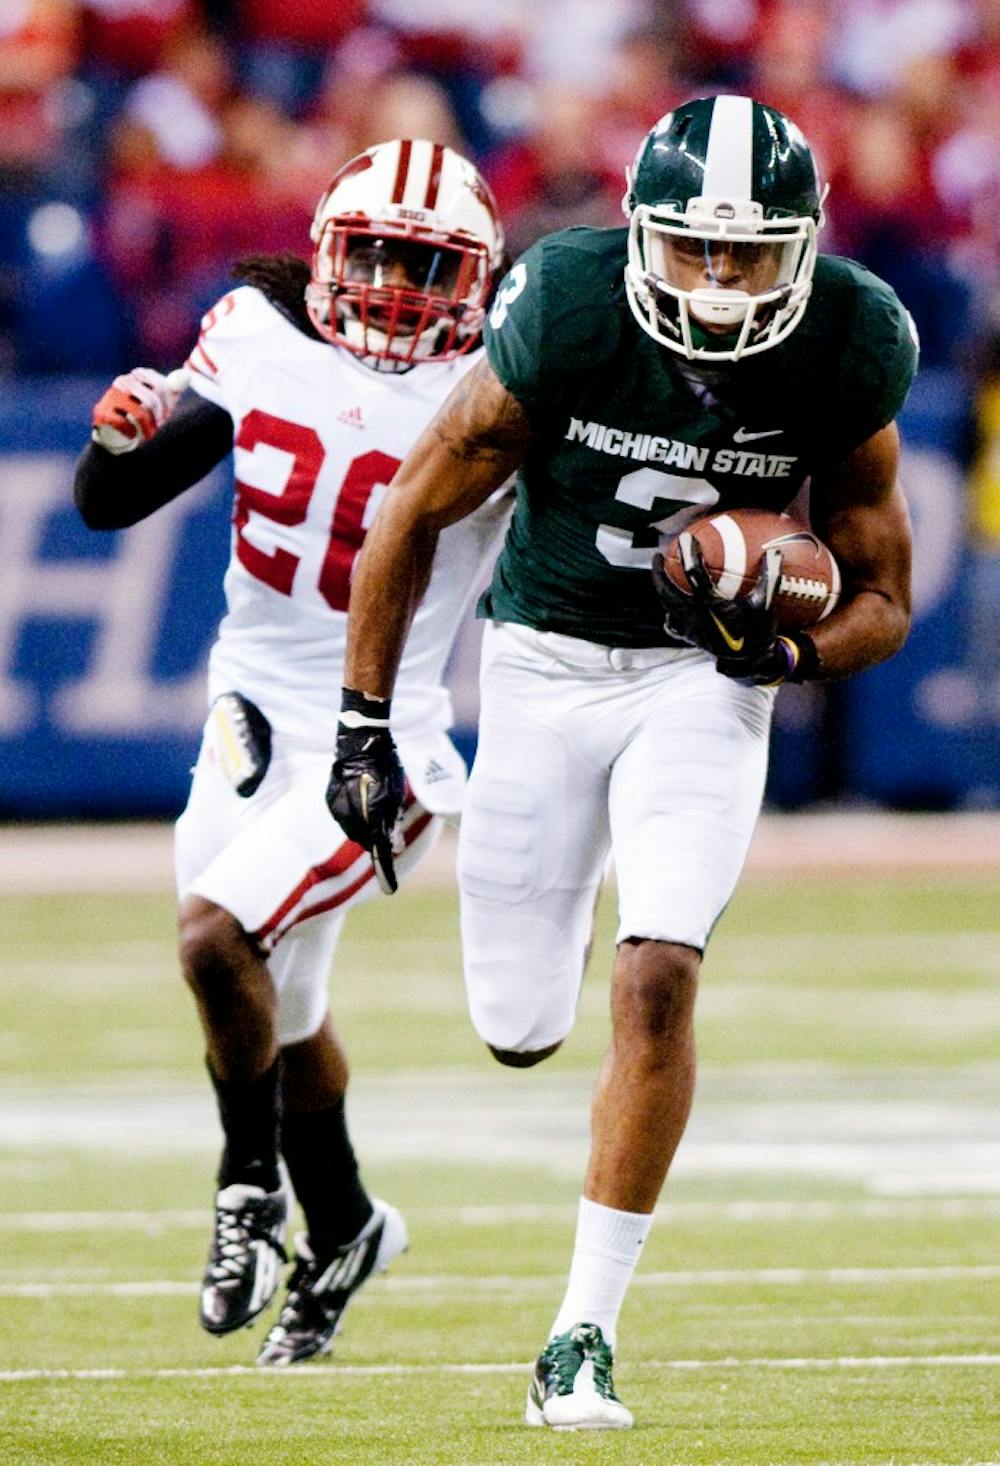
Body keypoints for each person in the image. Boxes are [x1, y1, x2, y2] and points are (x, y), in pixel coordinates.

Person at [326, 95, 918, 1428]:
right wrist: (363, 723)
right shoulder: (574, 303)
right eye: (696, 250)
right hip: (542, 661)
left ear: (807, 246)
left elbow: (882, 595)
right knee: (522, 1026)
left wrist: (787, 658)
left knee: (657, 975)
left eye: (754, 255)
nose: (720, 282)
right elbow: (415, 504)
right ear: (640, 234)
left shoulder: (854, 338)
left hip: (699, 684)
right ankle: (572, 893)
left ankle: (580, 1335)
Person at [73, 138, 509, 1366]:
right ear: (327, 248)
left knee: (217, 935)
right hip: (250, 711)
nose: (394, 286)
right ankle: (349, 1219)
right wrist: (115, 439)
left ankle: (246, 1190)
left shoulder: (502, 389)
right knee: (281, 1000)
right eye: (374, 254)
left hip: (385, 744)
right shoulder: (256, 337)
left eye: (427, 266)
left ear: (476, 279)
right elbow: (112, 502)